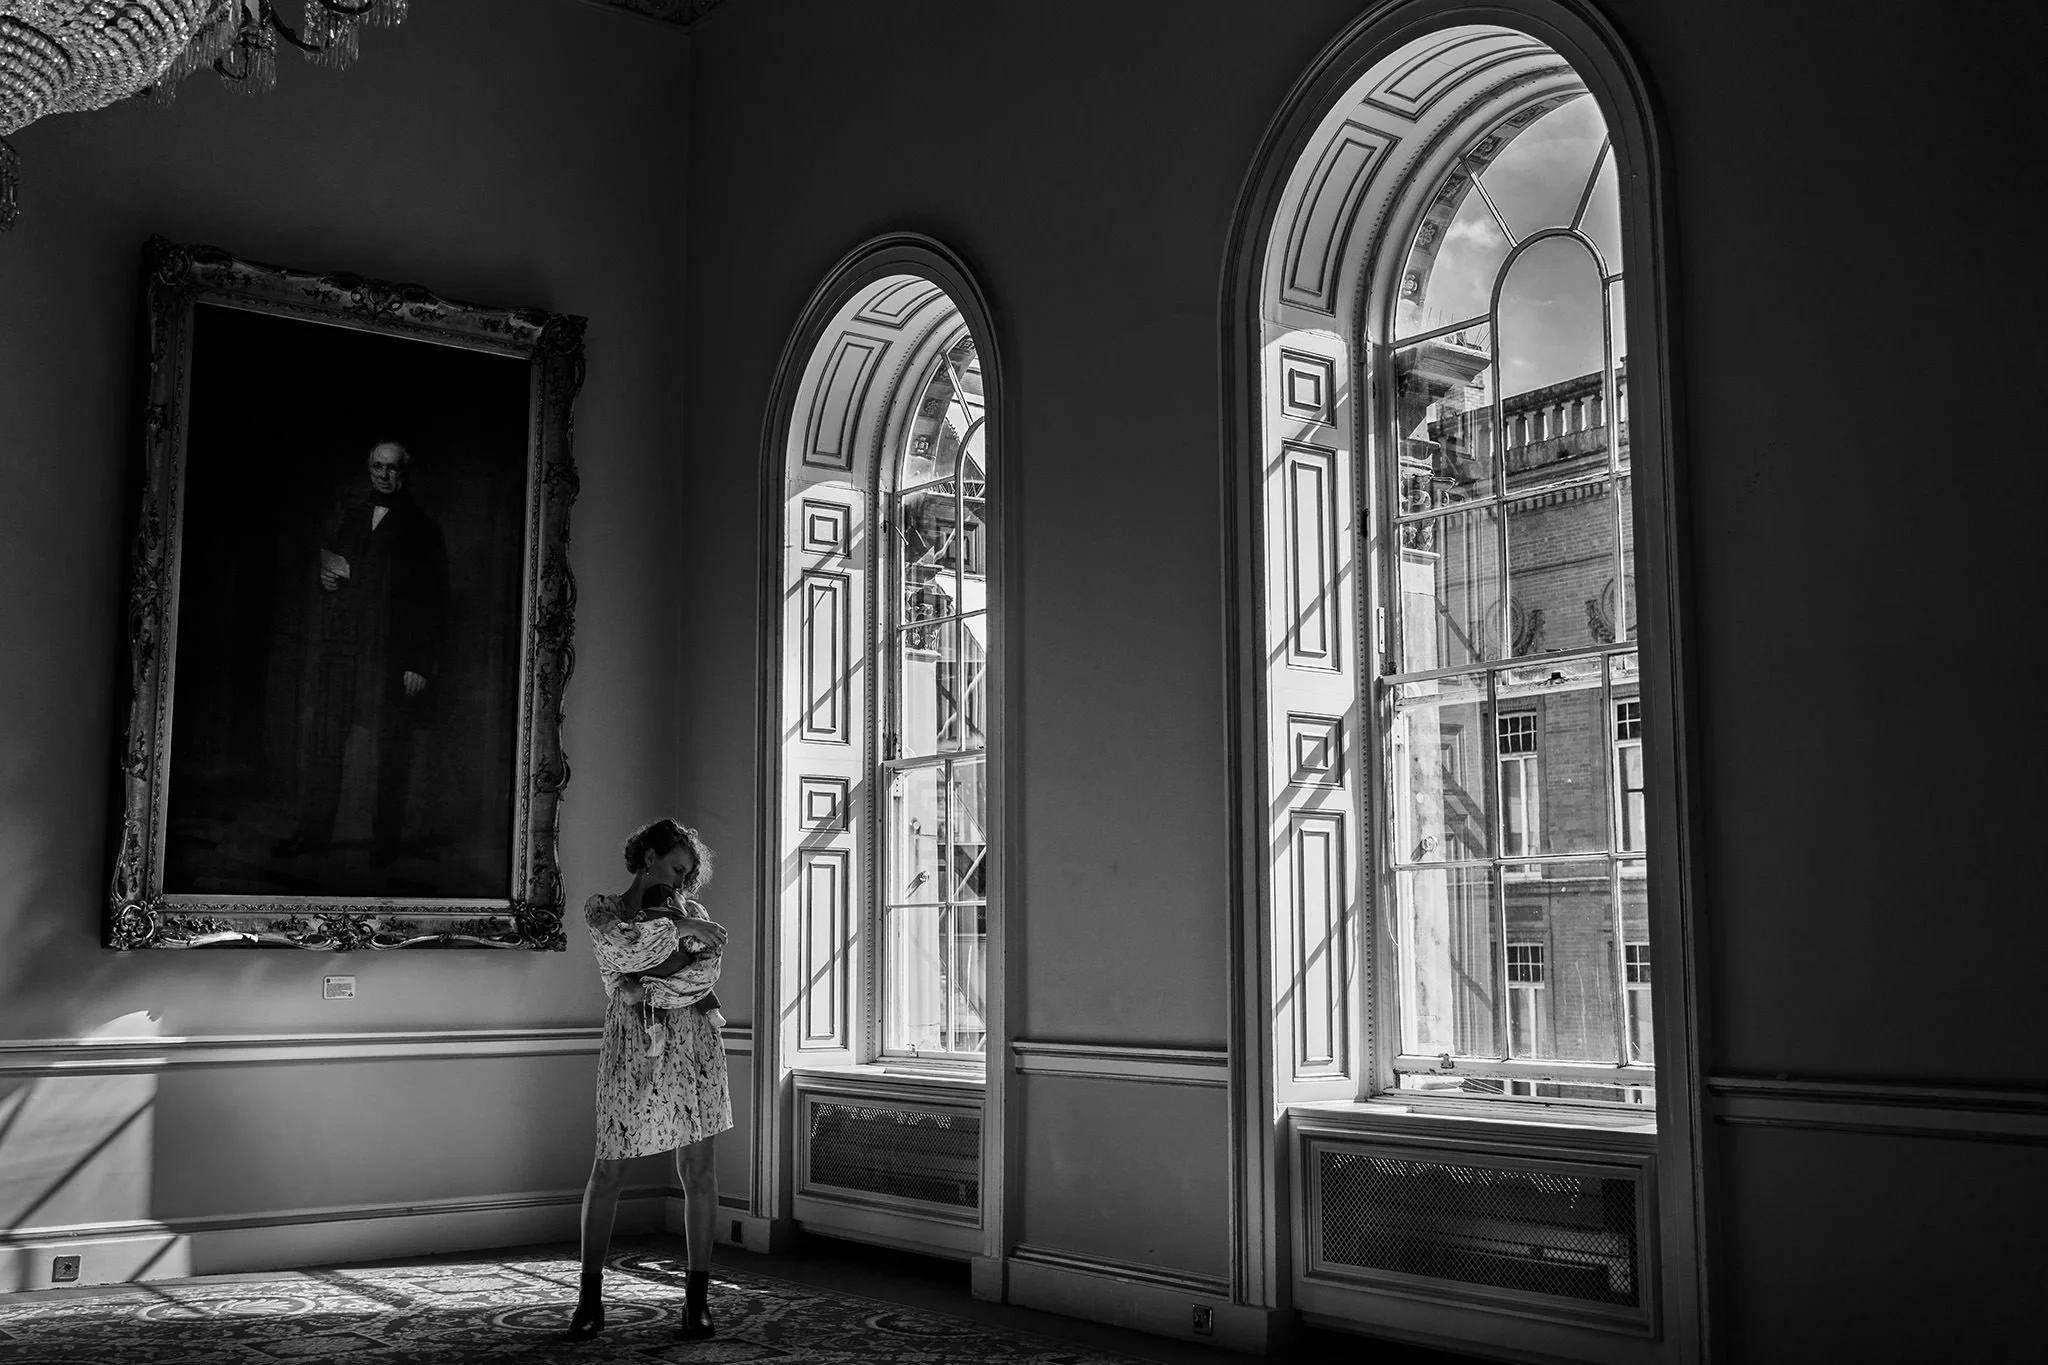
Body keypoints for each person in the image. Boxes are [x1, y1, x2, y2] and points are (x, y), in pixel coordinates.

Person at [569, 819, 733, 1342]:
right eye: (676, 869)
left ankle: (696, 1302)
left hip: (695, 1049)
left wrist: (648, 988)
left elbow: (701, 976)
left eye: (690, 876)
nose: (683, 885)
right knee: (609, 1173)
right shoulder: (603, 909)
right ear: (647, 859)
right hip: (631, 1050)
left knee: (699, 1173)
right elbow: (625, 953)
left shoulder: (696, 915)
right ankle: (588, 1302)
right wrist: (676, 943)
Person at [273, 440, 449, 866]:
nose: (384, 476)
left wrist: (419, 662)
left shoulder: (423, 527)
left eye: (392, 469)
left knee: (392, 745)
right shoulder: (352, 517)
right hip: (343, 648)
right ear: (368, 469)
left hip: (392, 653)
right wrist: (326, 580)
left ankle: (384, 845)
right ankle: (314, 834)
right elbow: (335, 568)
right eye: (377, 467)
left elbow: (433, 599)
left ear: (405, 473)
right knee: (326, 740)